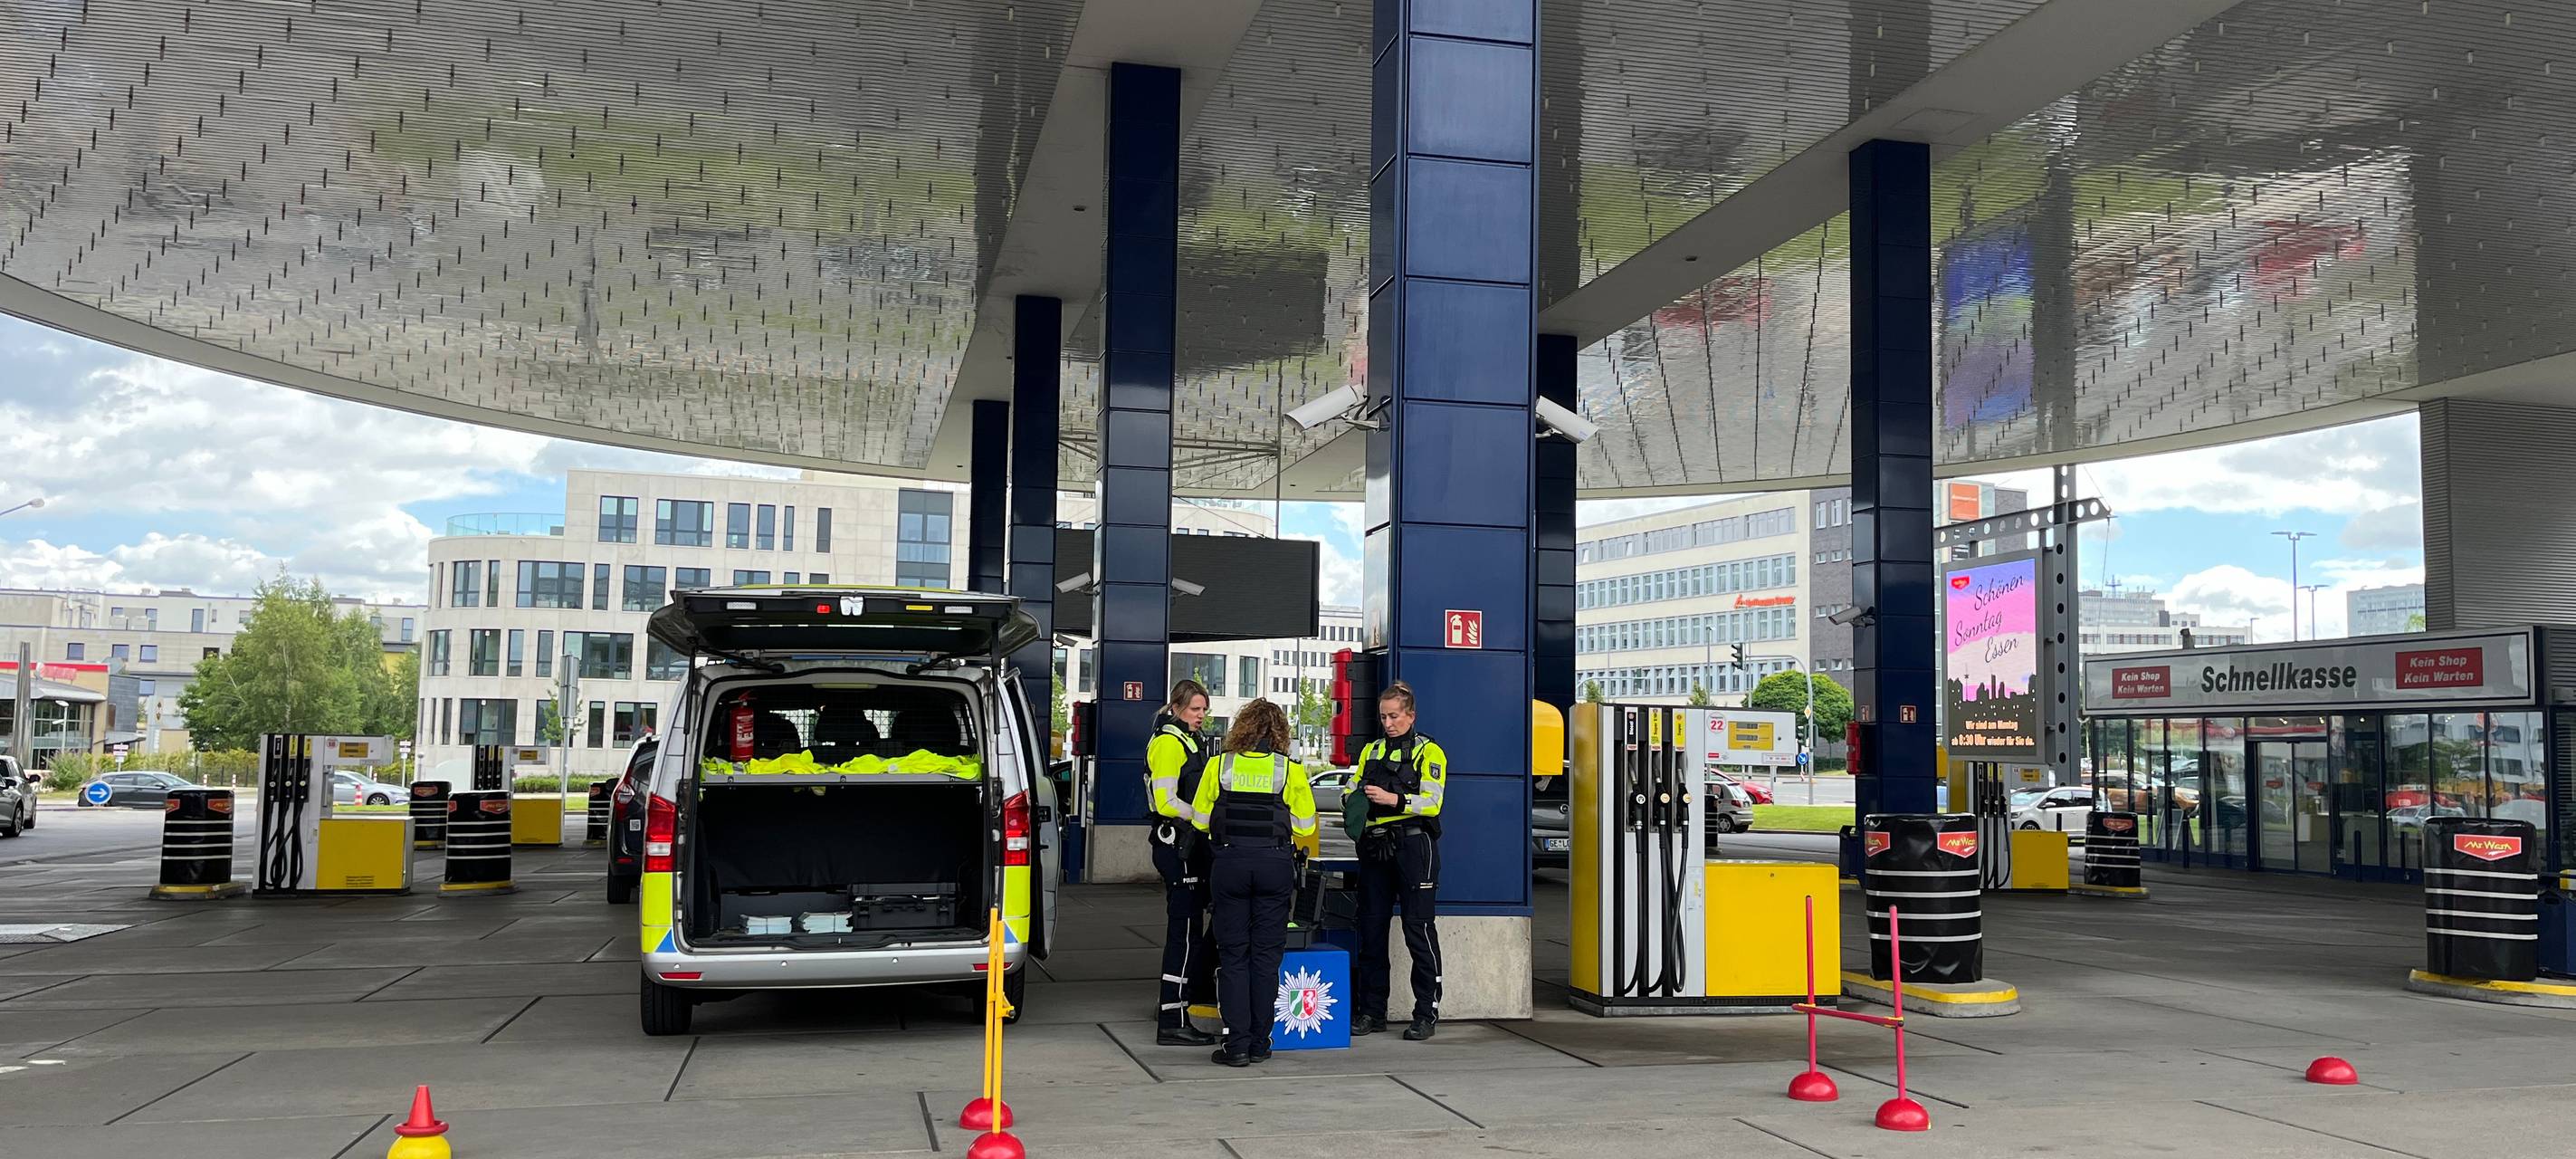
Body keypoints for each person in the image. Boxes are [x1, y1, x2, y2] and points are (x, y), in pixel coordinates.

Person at [1186, 698, 1318, 1067]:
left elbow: (1199, 820)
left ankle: (1237, 1045)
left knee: (1233, 957)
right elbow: (1306, 827)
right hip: (1275, 866)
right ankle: (1261, 1043)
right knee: (1266, 958)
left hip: (1229, 865)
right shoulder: (1288, 771)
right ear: (1279, 732)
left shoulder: (1220, 765)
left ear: (1242, 727)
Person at [1351, 680, 1446, 1040]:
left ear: (1411, 715)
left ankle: (1426, 1013)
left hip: (1413, 846)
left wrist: (1394, 801)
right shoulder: (1371, 750)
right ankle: (1371, 1012)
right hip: (1376, 847)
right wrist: (1354, 801)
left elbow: (1433, 802)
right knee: (1371, 930)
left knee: (1418, 929)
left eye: (1394, 716)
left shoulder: (1429, 752)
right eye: (1383, 717)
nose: (1388, 723)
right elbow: (1351, 789)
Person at [1145, 680, 1218, 1045]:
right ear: (1176, 707)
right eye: (1194, 710)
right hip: (1178, 847)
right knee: (1184, 933)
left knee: (1190, 931)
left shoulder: (1188, 740)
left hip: (1189, 846)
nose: (1201, 716)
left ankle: (1176, 1008)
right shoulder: (1168, 744)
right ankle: (1172, 1019)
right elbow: (1165, 802)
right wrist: (1204, 816)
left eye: (1204, 710)